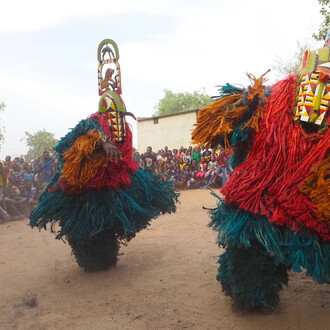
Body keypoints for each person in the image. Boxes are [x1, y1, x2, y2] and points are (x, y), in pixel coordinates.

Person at [191, 32, 330, 311]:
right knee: (256, 235)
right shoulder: (282, 96)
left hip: (278, 192)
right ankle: (252, 284)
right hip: (263, 191)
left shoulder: (283, 94)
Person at [30, 38, 178, 272]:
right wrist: (104, 141)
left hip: (116, 183)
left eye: (118, 113)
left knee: (115, 217)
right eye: (110, 113)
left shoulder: (124, 132)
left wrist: (110, 81)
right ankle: (91, 254)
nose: (114, 118)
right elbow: (84, 131)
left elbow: (124, 153)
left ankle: (107, 249)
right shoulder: (94, 124)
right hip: (89, 188)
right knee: (88, 224)